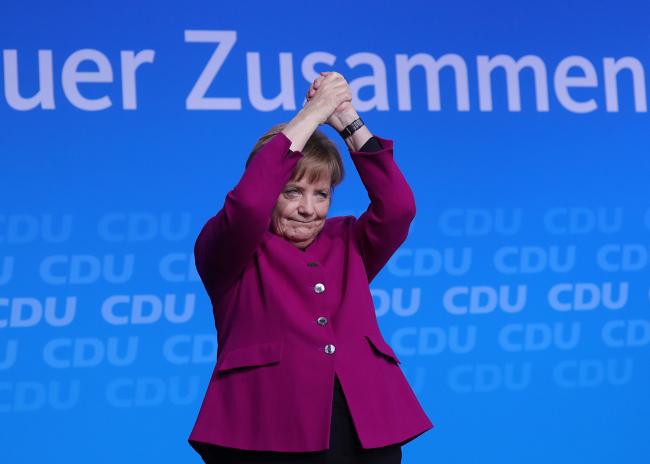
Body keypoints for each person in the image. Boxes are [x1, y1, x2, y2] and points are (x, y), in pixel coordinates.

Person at [188, 71, 433, 464]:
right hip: (267, 429)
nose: (309, 209)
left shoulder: (347, 241)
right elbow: (250, 205)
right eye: (292, 192)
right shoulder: (230, 248)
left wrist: (348, 120)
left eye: (321, 194)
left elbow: (399, 208)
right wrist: (310, 115)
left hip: (364, 426)